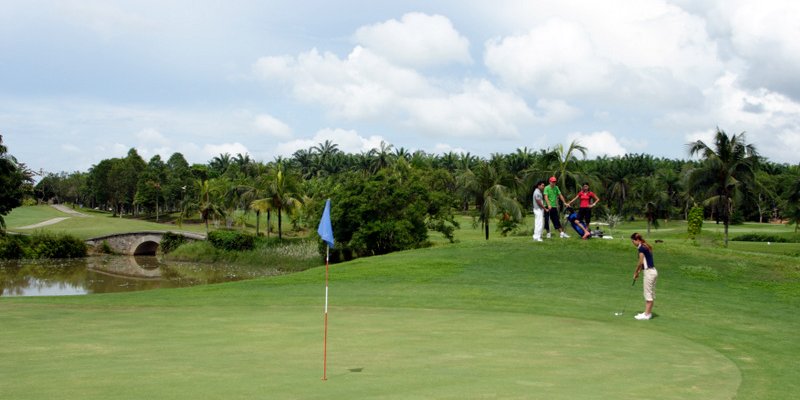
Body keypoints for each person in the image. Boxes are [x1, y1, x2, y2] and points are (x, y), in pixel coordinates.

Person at [631, 232, 658, 320]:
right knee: (650, 293)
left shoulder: (641, 248)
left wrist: (635, 272)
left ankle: (646, 315)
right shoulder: (645, 246)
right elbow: (644, 263)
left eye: (633, 241)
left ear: (637, 240)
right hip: (653, 272)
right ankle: (648, 313)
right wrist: (638, 272)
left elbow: (641, 262)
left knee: (648, 294)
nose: (633, 243)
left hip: (649, 273)